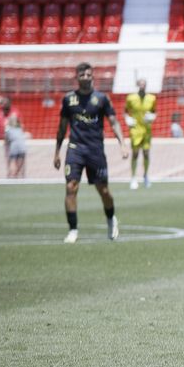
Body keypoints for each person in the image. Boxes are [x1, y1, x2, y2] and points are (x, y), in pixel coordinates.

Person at [53, 62, 128, 242]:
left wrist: (122, 144)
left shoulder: (101, 99)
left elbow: (114, 122)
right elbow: (62, 127)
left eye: (88, 74)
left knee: (103, 190)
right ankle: (73, 230)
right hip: (75, 149)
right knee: (71, 187)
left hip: (95, 150)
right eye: (82, 75)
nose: (85, 77)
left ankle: (111, 219)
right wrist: (56, 152)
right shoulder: (69, 99)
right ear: (77, 77)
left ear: (92, 77)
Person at [124, 76, 158, 190]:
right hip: (135, 129)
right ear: (138, 85)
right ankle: (133, 177)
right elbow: (125, 111)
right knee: (135, 153)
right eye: (140, 84)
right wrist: (127, 119)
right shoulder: (130, 98)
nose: (142, 86)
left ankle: (146, 175)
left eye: (144, 84)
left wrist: (152, 117)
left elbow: (154, 111)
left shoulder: (152, 98)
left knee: (146, 153)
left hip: (147, 129)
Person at [4, 113, 29, 178]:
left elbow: (22, 136)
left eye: (15, 118)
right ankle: (12, 174)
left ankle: (20, 175)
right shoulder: (8, 128)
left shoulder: (20, 127)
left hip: (21, 147)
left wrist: (26, 135)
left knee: (21, 163)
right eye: (12, 118)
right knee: (12, 162)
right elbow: (6, 139)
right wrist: (7, 147)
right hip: (14, 148)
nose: (14, 120)